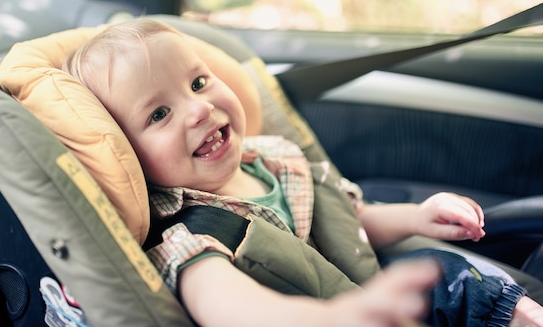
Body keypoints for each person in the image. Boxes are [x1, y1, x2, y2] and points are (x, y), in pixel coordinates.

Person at [62, 19, 543, 327]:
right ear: (126, 155)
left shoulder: (271, 158)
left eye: (198, 82)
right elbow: (233, 309)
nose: (199, 110)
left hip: (364, 284)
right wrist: (337, 317)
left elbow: (347, 219)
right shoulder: (185, 236)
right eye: (159, 114)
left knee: (453, 275)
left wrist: (416, 217)